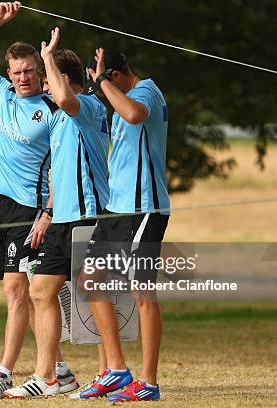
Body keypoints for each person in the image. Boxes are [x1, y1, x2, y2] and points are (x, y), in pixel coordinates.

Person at [0, 2, 76, 399]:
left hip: (31, 210)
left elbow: (63, 165)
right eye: (17, 72)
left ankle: (4, 372)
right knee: (19, 291)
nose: (23, 78)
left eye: (29, 71)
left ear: (39, 73)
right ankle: (59, 367)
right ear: (8, 74)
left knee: (16, 290)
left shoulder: (52, 108)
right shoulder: (1, 92)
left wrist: (48, 212)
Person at [2, 27, 110, 399]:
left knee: (92, 295)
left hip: (89, 215)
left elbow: (66, 97)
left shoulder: (86, 107)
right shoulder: (62, 116)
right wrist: (47, 213)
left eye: (47, 79)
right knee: (40, 291)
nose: (43, 87)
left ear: (62, 79)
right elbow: (58, 171)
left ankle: (108, 372)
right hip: (62, 219)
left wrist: (48, 56)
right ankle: (48, 376)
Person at [75, 47, 171, 402]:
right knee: (88, 279)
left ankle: (148, 381)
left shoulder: (144, 91)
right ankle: (117, 370)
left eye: (99, 81)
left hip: (144, 209)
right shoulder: (119, 94)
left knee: (142, 292)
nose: (96, 89)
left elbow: (133, 114)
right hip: (117, 211)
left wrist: (100, 81)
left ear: (114, 75)